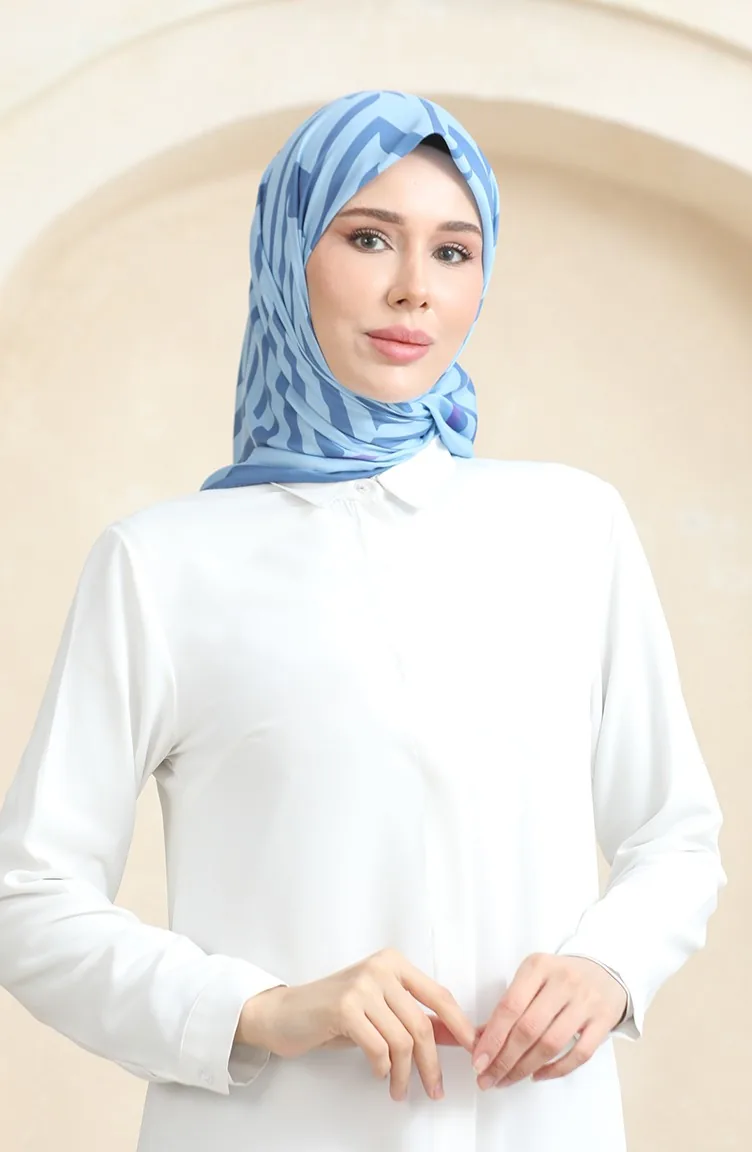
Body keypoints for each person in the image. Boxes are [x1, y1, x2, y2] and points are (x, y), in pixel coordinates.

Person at [0, 90, 726, 1152]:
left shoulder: (571, 528)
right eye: (368, 237)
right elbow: (29, 898)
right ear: (288, 252)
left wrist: (608, 966)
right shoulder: (161, 565)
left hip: (537, 1127)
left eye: (452, 251)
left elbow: (675, 837)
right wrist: (257, 1010)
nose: (412, 287)